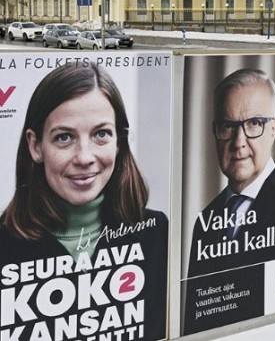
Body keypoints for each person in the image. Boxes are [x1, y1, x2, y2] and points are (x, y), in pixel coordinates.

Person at [0, 63, 168, 341]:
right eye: (64, 138)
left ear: (119, 141)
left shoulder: (156, 232)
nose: (85, 157)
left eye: (101, 134)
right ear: (35, 146)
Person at [186, 68, 275, 275]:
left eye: (254, 123)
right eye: (228, 126)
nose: (239, 142)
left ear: (274, 129)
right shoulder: (205, 219)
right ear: (215, 132)